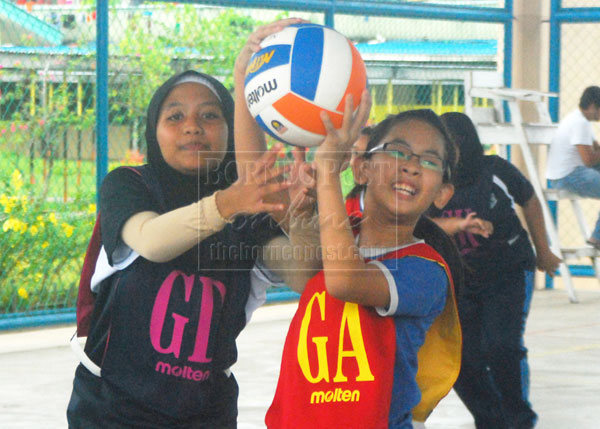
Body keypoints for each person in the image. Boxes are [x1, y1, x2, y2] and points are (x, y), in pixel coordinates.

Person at [66, 69, 303, 427]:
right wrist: (226, 203)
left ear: (230, 130)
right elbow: (151, 241)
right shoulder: (129, 185)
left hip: (206, 411)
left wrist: (303, 214)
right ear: (154, 131)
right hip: (112, 407)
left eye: (210, 114)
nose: (192, 126)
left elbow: (304, 276)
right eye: (175, 116)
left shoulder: (250, 209)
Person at [264, 107, 463, 428]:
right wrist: (301, 215)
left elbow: (345, 281)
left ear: (442, 193)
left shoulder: (426, 271)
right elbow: (305, 277)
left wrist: (327, 174)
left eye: (429, 160)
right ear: (362, 169)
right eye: (398, 151)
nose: (412, 166)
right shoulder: (340, 238)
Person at [430, 112, 561, 429]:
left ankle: (518, 418)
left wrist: (543, 251)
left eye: (455, 143)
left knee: (501, 347)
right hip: (462, 281)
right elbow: (420, 225)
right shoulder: (432, 182)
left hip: (509, 271)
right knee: (463, 359)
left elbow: (529, 200)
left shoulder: (494, 170)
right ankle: (491, 419)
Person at [546, 86, 600, 248]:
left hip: (567, 172)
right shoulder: (580, 123)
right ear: (592, 106)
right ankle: (597, 237)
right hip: (568, 176)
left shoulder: (578, 119)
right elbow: (589, 160)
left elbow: (595, 149)